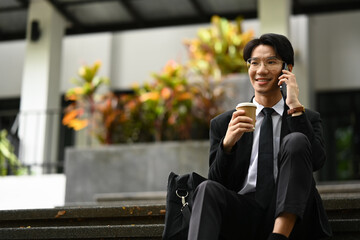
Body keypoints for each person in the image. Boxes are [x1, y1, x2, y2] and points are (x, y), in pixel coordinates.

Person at [187, 33, 332, 240]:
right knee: (206, 188)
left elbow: (316, 161)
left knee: (296, 140)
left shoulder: (306, 117)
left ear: (287, 69)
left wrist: (294, 108)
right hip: (243, 212)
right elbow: (217, 181)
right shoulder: (225, 123)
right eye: (254, 63)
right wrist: (227, 145)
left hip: (290, 215)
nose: (261, 70)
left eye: (271, 62)